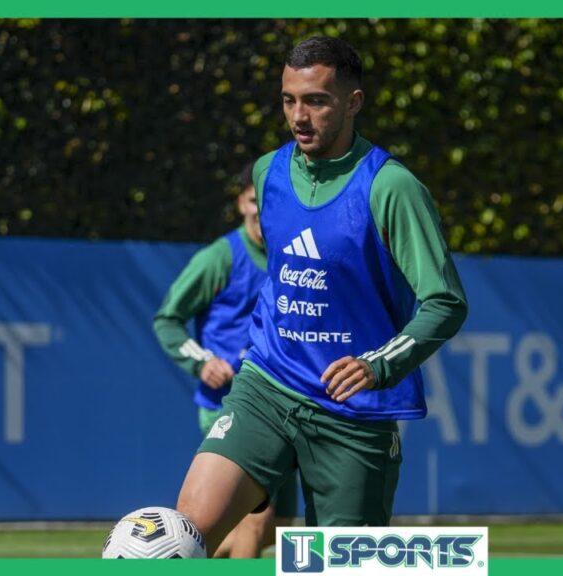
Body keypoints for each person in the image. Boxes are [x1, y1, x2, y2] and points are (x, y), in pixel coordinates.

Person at [175, 35, 468, 552]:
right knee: (180, 536)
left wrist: (379, 365)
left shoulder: (391, 187)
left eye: (316, 101)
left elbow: (445, 301)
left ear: (353, 102)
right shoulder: (268, 173)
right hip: (267, 384)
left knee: (337, 565)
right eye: (289, 100)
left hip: (353, 410)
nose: (299, 116)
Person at [153, 163, 297, 558]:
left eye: (270, 204)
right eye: (254, 202)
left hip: (288, 403)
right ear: (241, 204)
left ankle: (176, 557)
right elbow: (168, 320)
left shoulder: (299, 255)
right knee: (253, 519)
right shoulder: (220, 257)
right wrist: (202, 362)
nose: (261, 212)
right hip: (231, 406)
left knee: (279, 530)